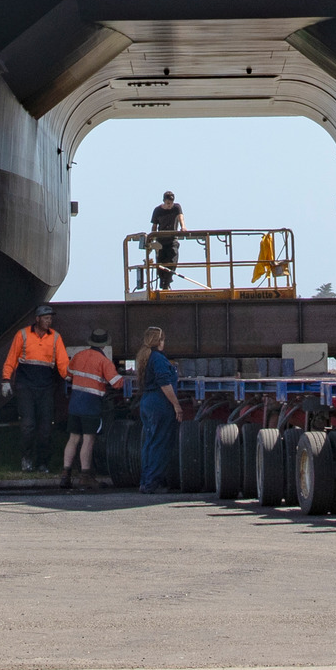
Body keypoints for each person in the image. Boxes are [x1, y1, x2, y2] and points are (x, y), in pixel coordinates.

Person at [1, 305, 69, 473]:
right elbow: (12, 358)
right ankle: (27, 459)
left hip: (45, 387)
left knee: (46, 427)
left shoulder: (55, 337)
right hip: (26, 386)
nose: (49, 321)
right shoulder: (22, 334)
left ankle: (42, 463)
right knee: (28, 425)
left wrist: (70, 376)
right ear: (37, 319)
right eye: (46, 318)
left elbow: (62, 363)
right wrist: (6, 380)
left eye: (50, 318)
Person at [61, 327, 124, 490]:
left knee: (73, 439)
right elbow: (117, 383)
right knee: (88, 440)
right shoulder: (103, 361)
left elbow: (68, 376)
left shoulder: (78, 356)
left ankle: (65, 475)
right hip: (91, 406)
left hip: (75, 403)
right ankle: (85, 476)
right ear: (104, 345)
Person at [136, 325, 183, 494]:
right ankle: (151, 482)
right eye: (163, 339)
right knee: (160, 444)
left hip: (148, 401)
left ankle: (146, 481)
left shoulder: (145, 357)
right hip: (160, 403)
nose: (164, 342)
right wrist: (176, 405)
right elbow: (164, 382)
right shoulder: (158, 358)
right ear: (159, 341)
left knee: (150, 443)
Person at [148, 192, 186, 291]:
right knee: (160, 261)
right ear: (164, 201)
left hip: (172, 239)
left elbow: (180, 217)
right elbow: (154, 226)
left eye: (171, 202)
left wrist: (183, 227)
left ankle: (167, 282)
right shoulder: (158, 210)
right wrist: (152, 238)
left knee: (172, 259)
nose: (170, 205)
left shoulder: (176, 207)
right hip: (160, 239)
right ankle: (162, 281)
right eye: (168, 202)